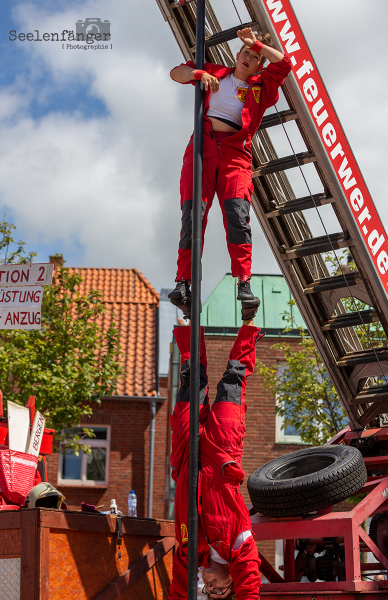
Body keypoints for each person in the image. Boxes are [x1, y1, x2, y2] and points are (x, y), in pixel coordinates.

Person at [168, 27, 292, 315]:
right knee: (192, 215)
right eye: (245, 52)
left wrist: (257, 43)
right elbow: (177, 72)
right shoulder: (216, 73)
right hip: (202, 147)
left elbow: (284, 64)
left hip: (236, 155)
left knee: (238, 217)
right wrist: (198, 75)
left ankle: (244, 283)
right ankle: (183, 281)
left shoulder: (262, 87)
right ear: (236, 55)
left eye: (254, 56)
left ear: (260, 64)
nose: (248, 57)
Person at [169, 304, 263, 599]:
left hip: (185, 453)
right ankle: (249, 323)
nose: (209, 587)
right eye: (218, 591)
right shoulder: (239, 547)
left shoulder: (189, 553)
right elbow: (250, 586)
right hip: (223, 451)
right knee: (232, 381)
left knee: (190, 379)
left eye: (208, 592)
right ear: (232, 581)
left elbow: (178, 591)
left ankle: (185, 318)